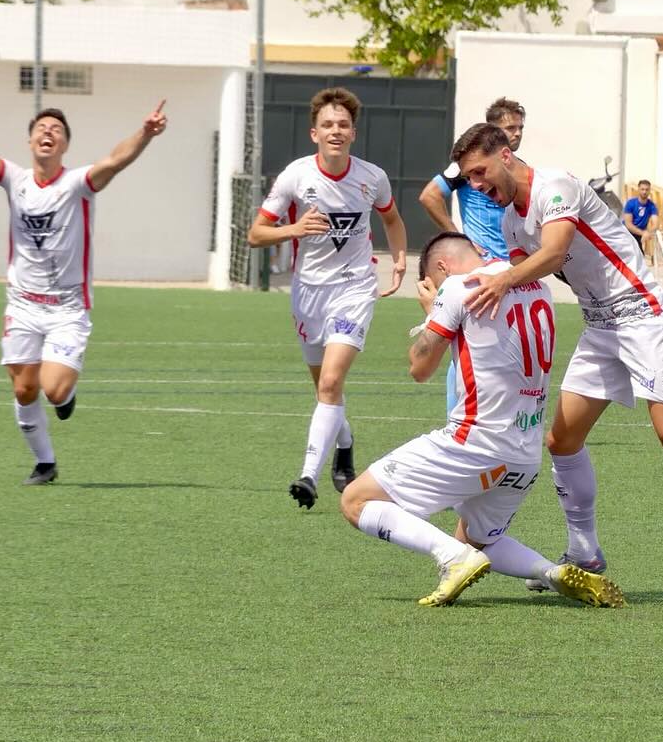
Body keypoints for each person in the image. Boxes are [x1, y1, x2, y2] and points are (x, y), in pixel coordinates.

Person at [452, 124, 663, 605]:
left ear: (505, 155)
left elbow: (554, 251)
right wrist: (463, 289)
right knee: (562, 440)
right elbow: (525, 282)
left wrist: (501, 280)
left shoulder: (555, 186)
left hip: (644, 316)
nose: (476, 185)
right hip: (600, 328)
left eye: (479, 172)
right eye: (468, 179)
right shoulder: (508, 222)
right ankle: (585, 551)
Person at [338, 231, 626, 608]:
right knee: (476, 538)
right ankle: (550, 573)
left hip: (474, 441)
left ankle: (453, 559)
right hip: (523, 456)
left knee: (355, 501)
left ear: (443, 266)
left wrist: (432, 312)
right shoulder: (535, 285)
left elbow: (419, 368)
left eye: (433, 283)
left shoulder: (458, 287)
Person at [0, 82, 168, 485]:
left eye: (56, 128)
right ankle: (45, 463)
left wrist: (144, 132)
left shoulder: (76, 184)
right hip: (22, 303)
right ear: (30, 139)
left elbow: (114, 161)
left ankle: (66, 395)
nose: (48, 132)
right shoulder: (14, 180)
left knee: (52, 390)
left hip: (66, 308)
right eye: (42, 127)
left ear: (65, 145)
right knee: (24, 390)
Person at [248, 87, 408, 509]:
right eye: (327, 125)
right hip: (308, 292)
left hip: (355, 287)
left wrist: (399, 260)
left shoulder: (371, 177)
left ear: (353, 133)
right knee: (325, 389)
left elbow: (391, 218)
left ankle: (307, 475)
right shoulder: (296, 176)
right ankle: (346, 444)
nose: (335, 131)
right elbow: (256, 234)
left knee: (333, 382)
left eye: (343, 125)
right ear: (314, 133)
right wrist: (294, 230)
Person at [418, 97, 526, 410]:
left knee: (506, 348)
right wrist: (458, 237)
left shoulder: (513, 170)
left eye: (519, 127)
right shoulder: (467, 166)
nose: (516, 134)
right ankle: (458, 416)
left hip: (509, 271)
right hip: (478, 271)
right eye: (509, 128)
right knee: (466, 343)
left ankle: (506, 420)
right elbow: (429, 196)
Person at [622, 180, 661, 261]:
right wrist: (644, 233)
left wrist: (648, 233)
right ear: (638, 189)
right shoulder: (630, 203)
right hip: (626, 233)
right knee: (629, 258)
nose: (644, 192)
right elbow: (628, 224)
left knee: (640, 258)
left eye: (647, 190)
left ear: (649, 191)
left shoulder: (652, 206)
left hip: (638, 234)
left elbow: (655, 224)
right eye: (642, 189)